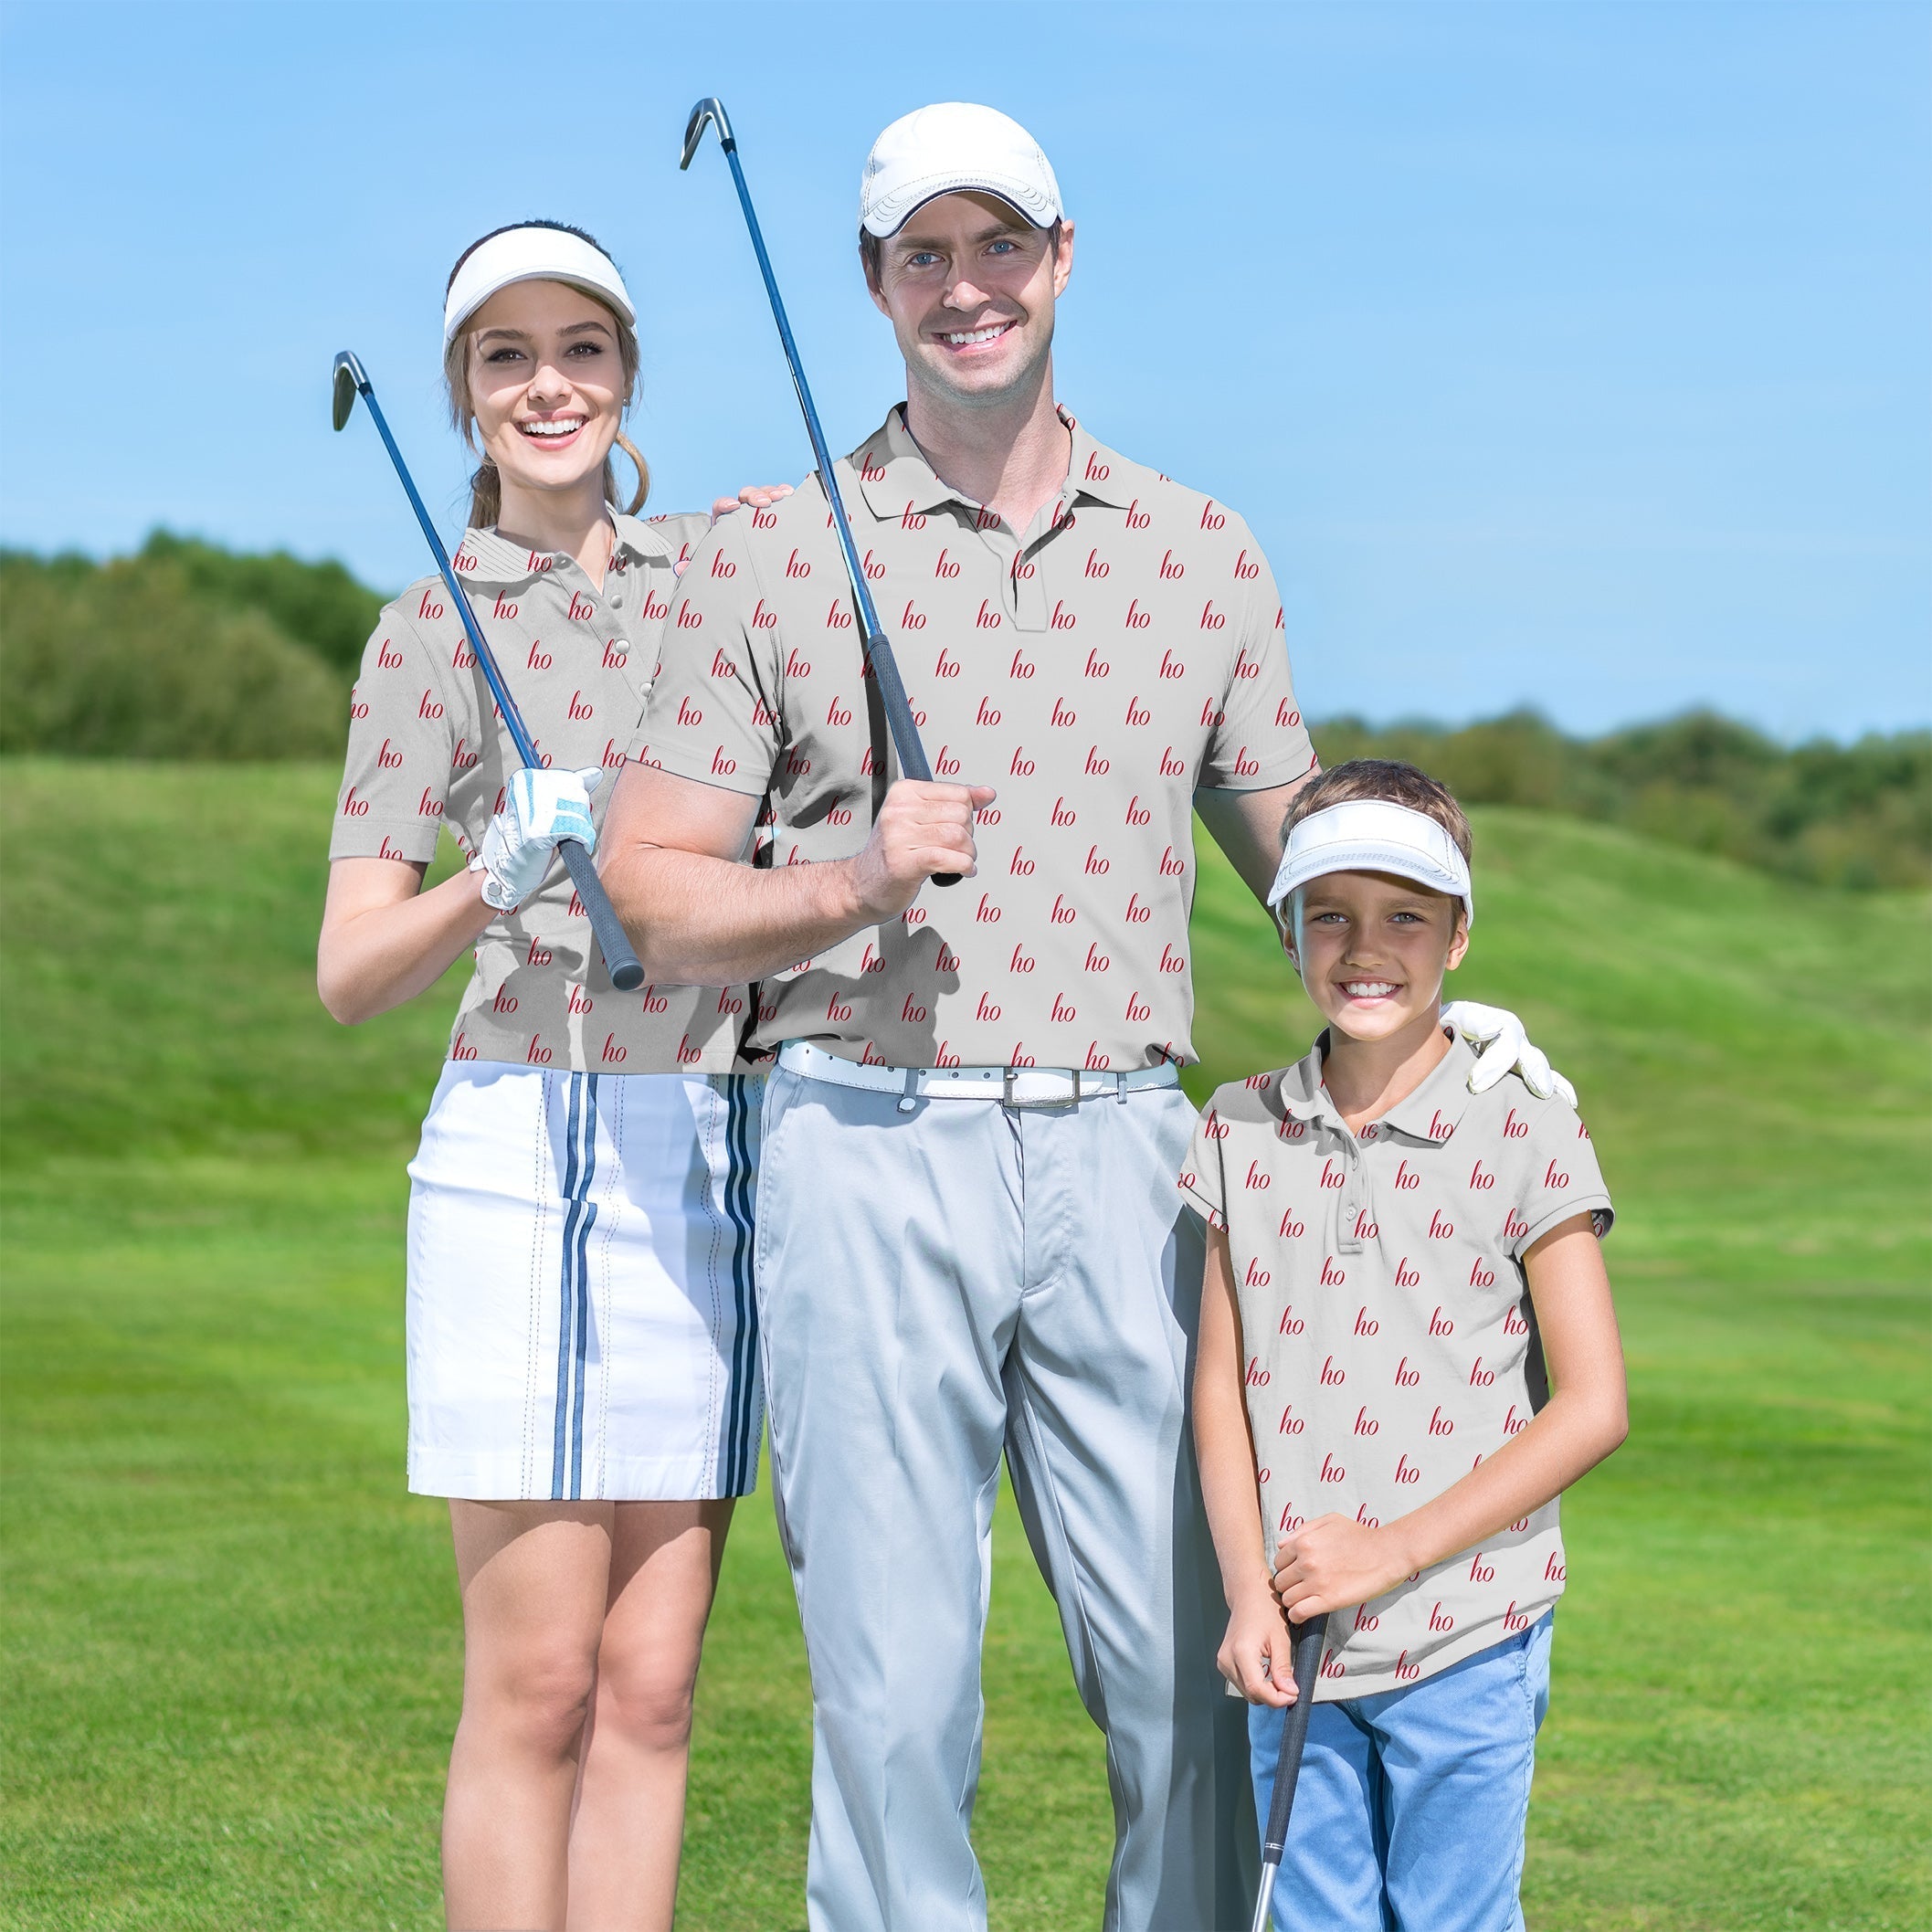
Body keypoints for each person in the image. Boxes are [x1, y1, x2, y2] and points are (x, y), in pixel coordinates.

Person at [598, 105, 1565, 1932]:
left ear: (1061, 257)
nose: (967, 289)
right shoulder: (765, 547)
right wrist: (839, 886)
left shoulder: (1201, 551)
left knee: (1201, 1666)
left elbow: (1303, 860)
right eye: (923, 255)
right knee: (894, 1697)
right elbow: (650, 886)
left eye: (999, 246)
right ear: (874, 284)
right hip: (860, 1133)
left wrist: (1449, 999)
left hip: (1136, 1156)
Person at [317, 220, 787, 1932]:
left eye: (579, 349)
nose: (548, 385)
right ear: (462, 394)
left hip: (699, 1147)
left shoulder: (720, 600)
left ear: (627, 375)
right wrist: (486, 876)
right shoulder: (422, 635)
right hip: (518, 1142)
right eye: (506, 356)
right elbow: (350, 971)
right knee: (538, 1687)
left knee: (653, 1687)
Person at [1181, 759, 1629, 1931]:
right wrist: (1244, 1595)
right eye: (1329, 912)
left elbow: (1593, 1406)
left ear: (1458, 937)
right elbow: (1219, 1391)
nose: (1363, 946)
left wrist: (1393, 1551)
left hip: (1470, 1625)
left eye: (1404, 917)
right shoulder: (1236, 1126)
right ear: (1286, 929)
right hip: (1295, 1636)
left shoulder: (1526, 1119)